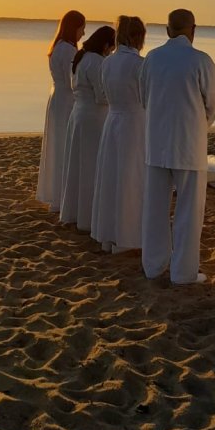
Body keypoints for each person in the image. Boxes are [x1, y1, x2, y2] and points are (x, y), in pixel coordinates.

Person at [140, 9, 215, 285]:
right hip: (189, 144)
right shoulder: (200, 60)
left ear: (167, 31)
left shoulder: (152, 58)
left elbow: (144, 96)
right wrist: (202, 123)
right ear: (193, 30)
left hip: (157, 142)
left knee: (154, 209)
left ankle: (153, 265)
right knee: (189, 211)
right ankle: (183, 272)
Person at [91, 15, 147, 253]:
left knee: (113, 176)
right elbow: (147, 96)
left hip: (113, 121)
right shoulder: (140, 64)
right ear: (137, 37)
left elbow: (105, 93)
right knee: (132, 178)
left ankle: (110, 232)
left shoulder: (107, 63)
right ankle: (128, 234)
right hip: (134, 123)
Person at [60, 25, 116, 230]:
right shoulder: (97, 62)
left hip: (78, 114)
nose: (112, 51)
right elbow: (101, 96)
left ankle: (75, 211)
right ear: (105, 44)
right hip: (94, 118)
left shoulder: (81, 57)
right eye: (112, 47)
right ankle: (88, 214)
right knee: (91, 165)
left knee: (78, 164)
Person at [36, 10, 86, 213]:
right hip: (66, 101)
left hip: (57, 99)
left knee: (58, 145)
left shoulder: (57, 47)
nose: (83, 33)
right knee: (65, 147)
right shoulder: (68, 51)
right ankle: (62, 195)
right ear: (74, 28)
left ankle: (57, 193)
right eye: (82, 28)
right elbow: (71, 81)